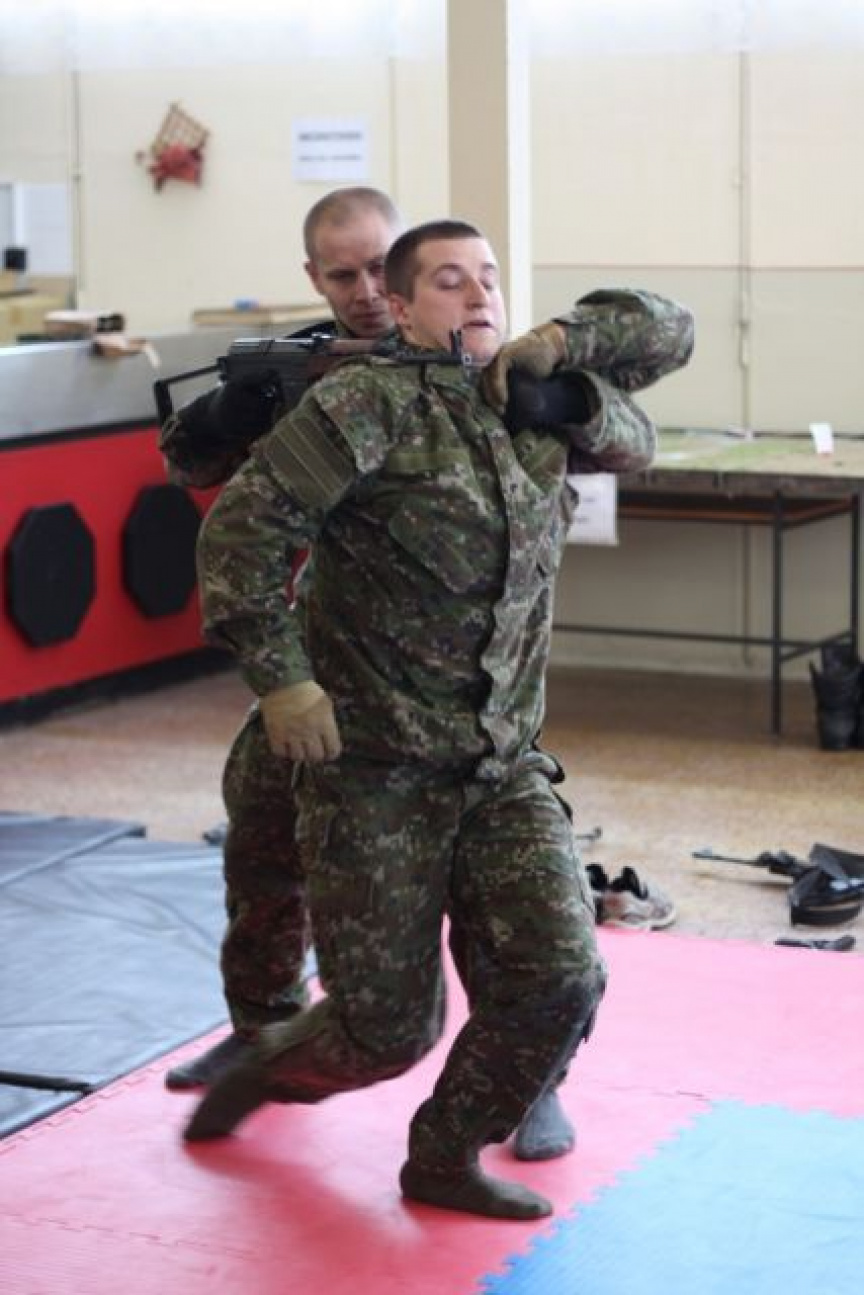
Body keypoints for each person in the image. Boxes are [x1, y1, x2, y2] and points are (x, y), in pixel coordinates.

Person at [182, 219, 695, 1220]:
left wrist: (563, 347)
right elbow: (241, 535)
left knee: (561, 975)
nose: (478, 294)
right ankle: (270, 1060)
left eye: (488, 277)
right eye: (450, 280)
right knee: (385, 1032)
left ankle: (444, 1156)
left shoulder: (532, 397)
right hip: (377, 770)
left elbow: (666, 335)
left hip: (501, 768)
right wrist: (283, 682)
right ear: (403, 305)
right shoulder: (365, 402)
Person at [159, 188, 577, 1161]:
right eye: (340, 274)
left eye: (377, 268)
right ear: (315, 277)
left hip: (459, 683)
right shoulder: (304, 367)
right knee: (260, 832)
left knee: (504, 889)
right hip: (326, 656)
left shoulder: (475, 367)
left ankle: (531, 1079)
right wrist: (231, 411)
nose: (361, 291)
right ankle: (266, 1028)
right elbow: (197, 473)